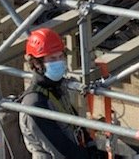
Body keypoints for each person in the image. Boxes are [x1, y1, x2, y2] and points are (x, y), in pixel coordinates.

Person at [19, 27, 96, 158]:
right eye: (52, 58)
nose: (59, 62)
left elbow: (72, 119)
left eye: (61, 56)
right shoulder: (35, 104)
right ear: (37, 64)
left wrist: (90, 145)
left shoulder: (55, 87)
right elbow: (60, 150)